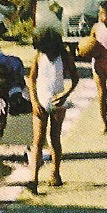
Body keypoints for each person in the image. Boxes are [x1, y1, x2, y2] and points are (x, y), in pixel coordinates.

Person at [26, 27, 79, 192]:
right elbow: (31, 79)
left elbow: (75, 79)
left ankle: (55, 173)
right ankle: (33, 179)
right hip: (40, 101)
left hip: (57, 103)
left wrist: (66, 94)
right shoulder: (39, 56)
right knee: (37, 141)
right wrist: (34, 101)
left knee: (54, 138)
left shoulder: (64, 56)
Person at [78, 0, 107, 133]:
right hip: (98, 64)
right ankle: (104, 122)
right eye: (99, 12)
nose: (99, 15)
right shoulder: (96, 27)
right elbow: (90, 42)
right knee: (101, 93)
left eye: (103, 13)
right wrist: (84, 49)